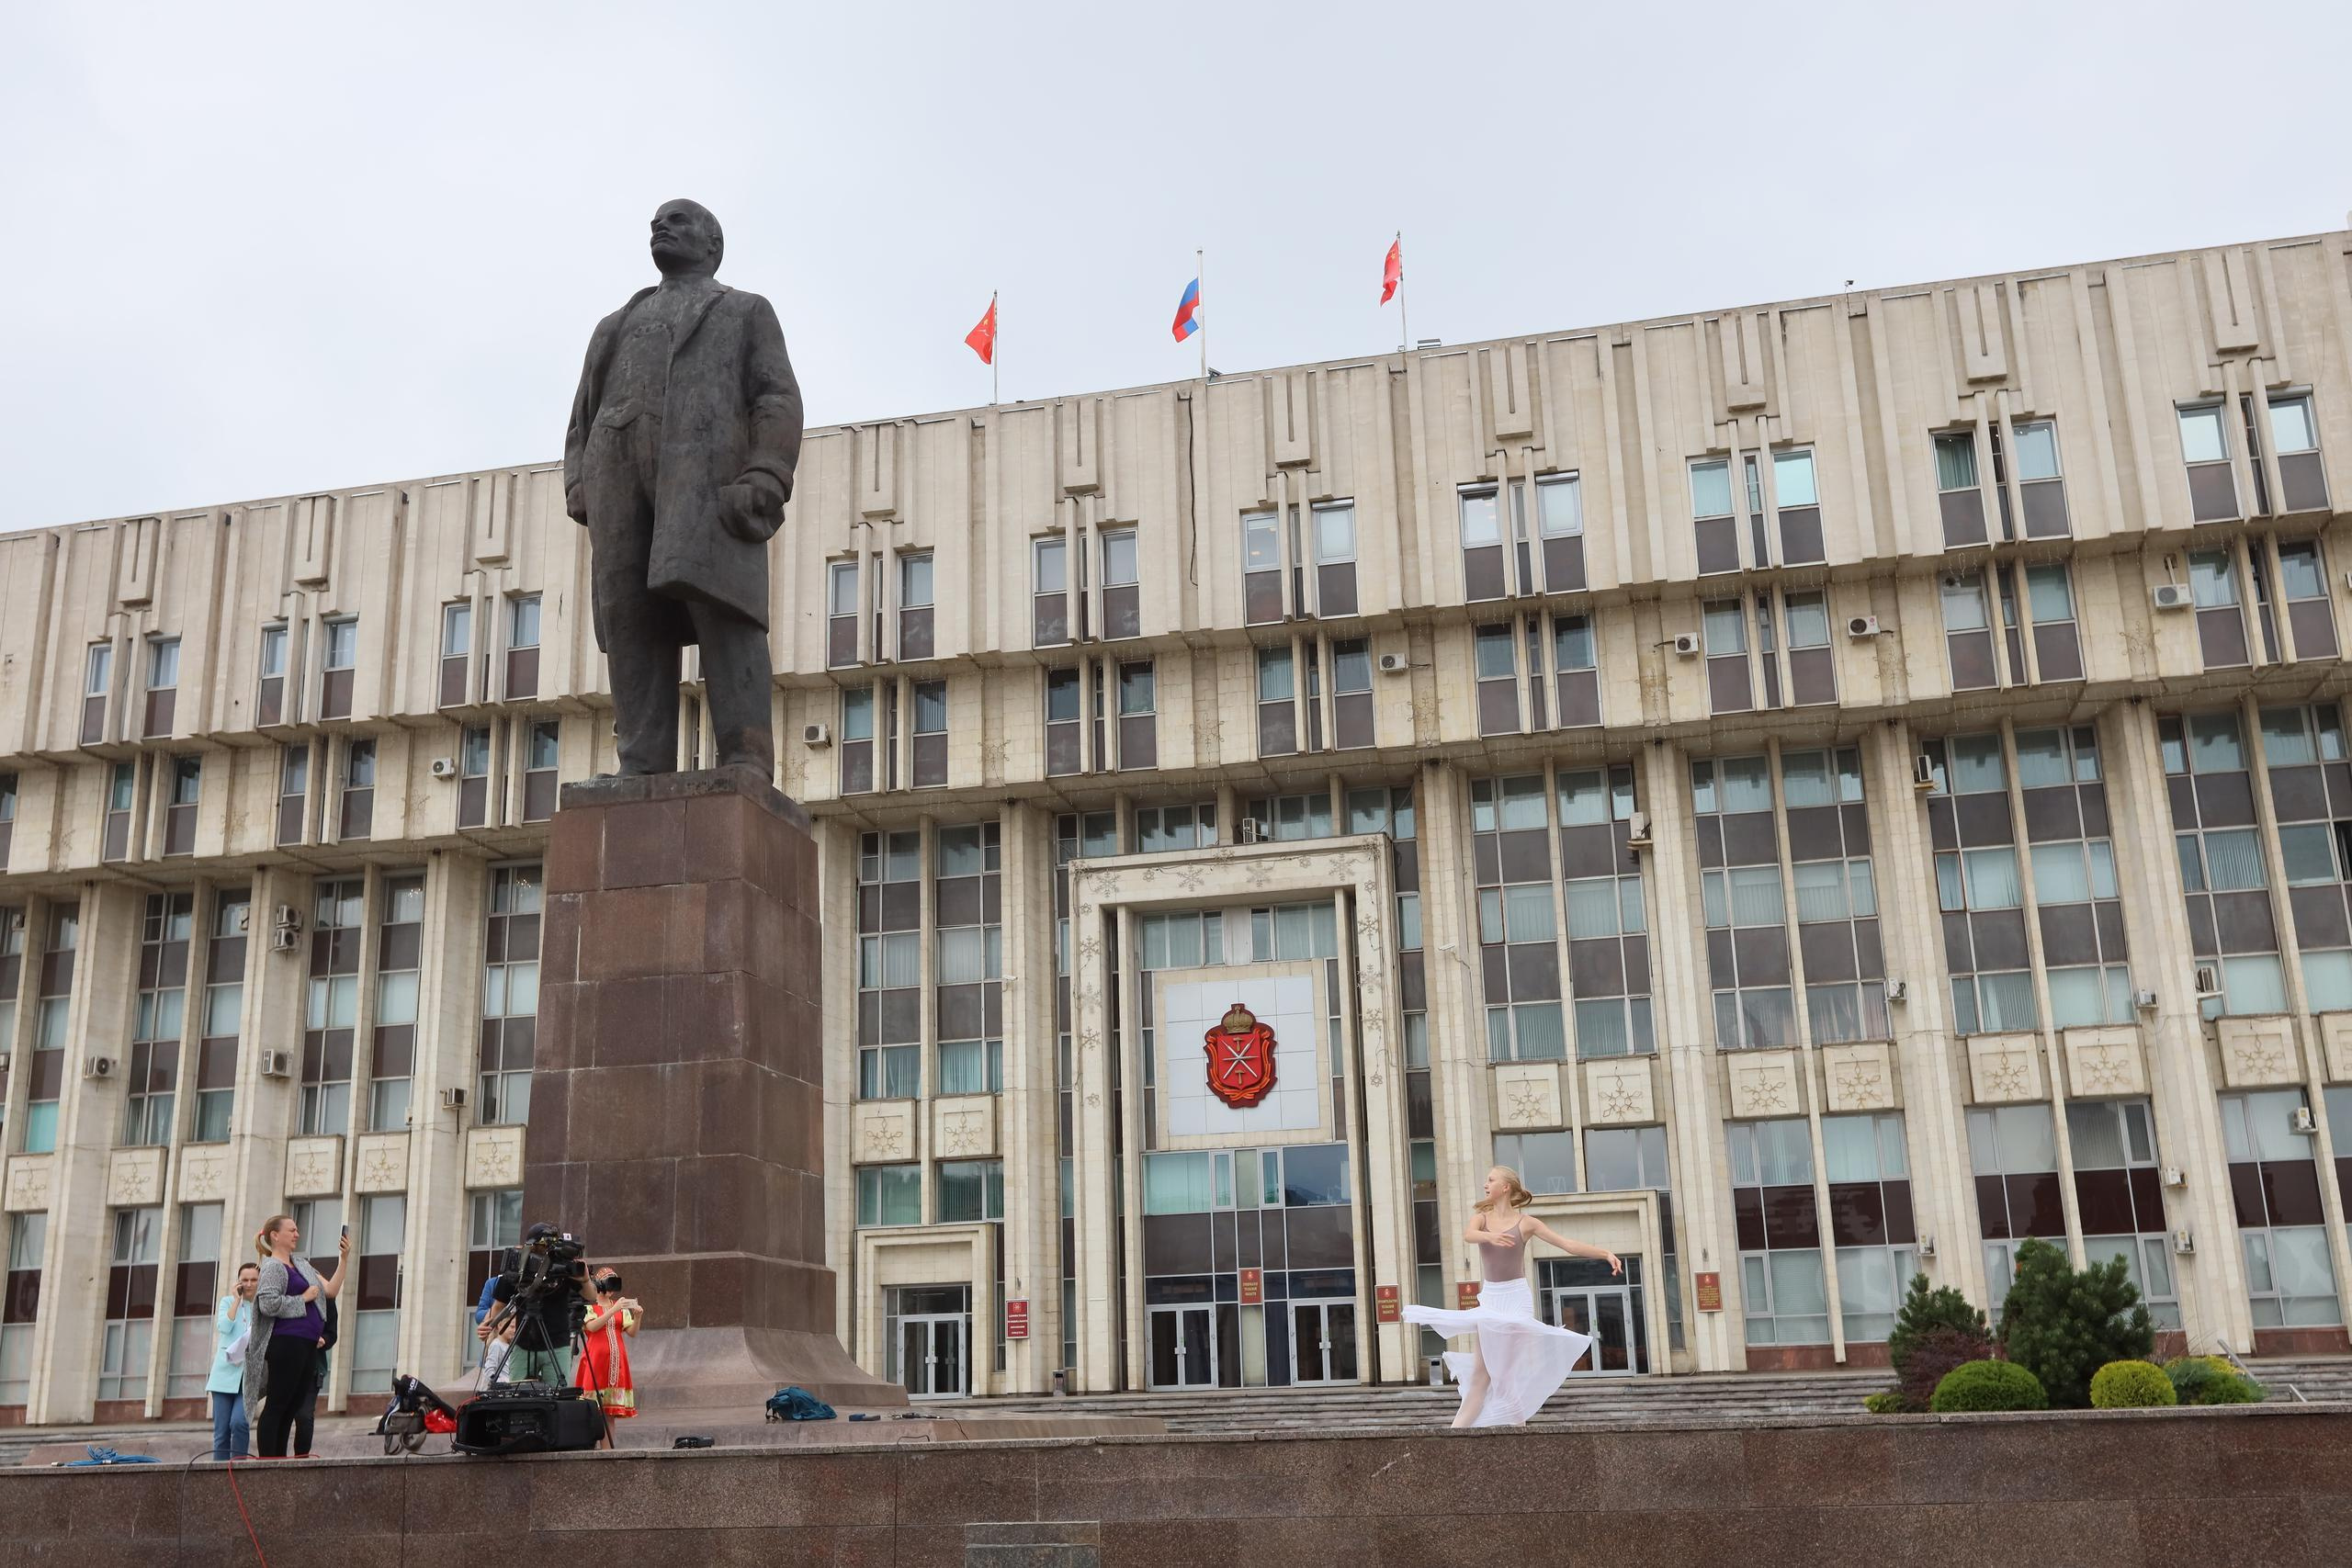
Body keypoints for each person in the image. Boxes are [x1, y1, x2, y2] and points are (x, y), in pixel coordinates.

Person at [562, 197, 804, 776]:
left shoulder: (744, 311)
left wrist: (766, 471)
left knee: (724, 611)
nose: (660, 227)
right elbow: (581, 417)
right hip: (618, 484)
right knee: (631, 620)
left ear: (713, 245)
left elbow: (776, 395)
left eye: (678, 220)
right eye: (655, 223)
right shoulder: (614, 325)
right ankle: (641, 760)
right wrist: (580, 481)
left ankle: (745, 756)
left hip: (703, 484)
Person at [1402, 1166, 1621, 1428]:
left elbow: (1567, 1244)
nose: (1486, 1184)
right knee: (1482, 1377)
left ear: (1505, 1187)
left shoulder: (1526, 1223)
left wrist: (1606, 1253)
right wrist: (1491, 1236)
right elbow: (1468, 1235)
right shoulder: (1482, 1218)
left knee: (1506, 1377)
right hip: (1491, 1299)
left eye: (1491, 1180)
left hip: (1516, 1300)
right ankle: (1453, 1439)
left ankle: (1519, 1440)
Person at [243, 1214, 348, 1459]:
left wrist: (344, 1259)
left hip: (307, 1345)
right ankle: (270, 1460)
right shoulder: (272, 1267)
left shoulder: (302, 1264)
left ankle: (280, 1460)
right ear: (275, 1236)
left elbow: (330, 1290)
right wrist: (303, 1299)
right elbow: (267, 1304)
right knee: (278, 1404)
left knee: (292, 1406)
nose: (297, 1234)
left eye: (297, 1230)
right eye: (292, 1230)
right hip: (286, 1344)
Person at [478, 1222, 588, 1383]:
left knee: (557, 1397)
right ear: (529, 1246)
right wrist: (487, 1326)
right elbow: (498, 1306)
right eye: (541, 1246)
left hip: (557, 1345)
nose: (545, 1252)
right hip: (523, 1343)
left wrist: (585, 1280)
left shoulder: (563, 1266)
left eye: (549, 1246)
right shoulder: (517, 1267)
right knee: (517, 1395)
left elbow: (590, 1295)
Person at [576, 1267, 642, 1438]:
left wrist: (638, 1316)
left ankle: (607, 1454)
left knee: (609, 1414)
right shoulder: (590, 1307)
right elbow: (591, 1327)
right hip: (595, 1362)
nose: (612, 1289)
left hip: (616, 1364)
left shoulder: (619, 1307)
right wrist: (614, 1310)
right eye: (609, 1283)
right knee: (593, 1411)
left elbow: (632, 1332)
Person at [206, 1262, 258, 1461]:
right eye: (245, 1280)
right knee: (221, 1433)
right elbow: (224, 1327)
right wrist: (237, 1300)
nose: (249, 1284)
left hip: (247, 1378)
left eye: (254, 1280)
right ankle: (218, 1477)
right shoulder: (228, 1302)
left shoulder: (262, 1308)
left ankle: (239, 1468)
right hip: (224, 1376)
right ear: (238, 1282)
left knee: (239, 1423)